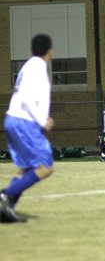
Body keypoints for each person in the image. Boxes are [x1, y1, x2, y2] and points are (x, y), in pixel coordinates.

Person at [1, 34, 55, 223]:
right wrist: (41, 120)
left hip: (15, 119)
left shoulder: (30, 65)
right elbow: (25, 97)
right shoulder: (38, 67)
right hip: (24, 122)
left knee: (26, 169)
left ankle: (6, 210)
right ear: (49, 51)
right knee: (45, 167)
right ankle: (6, 195)